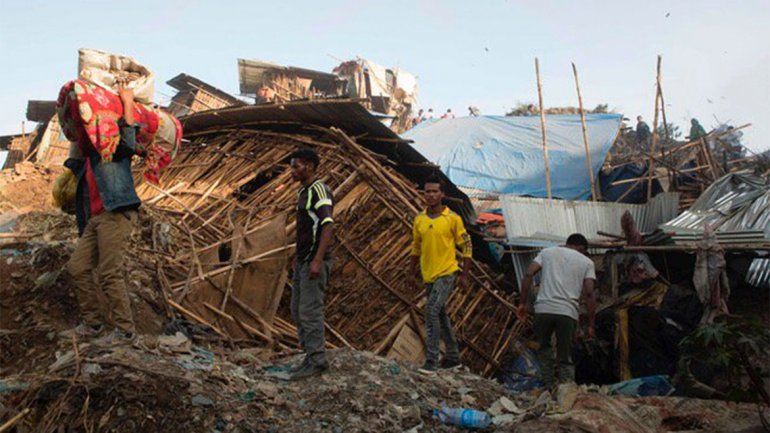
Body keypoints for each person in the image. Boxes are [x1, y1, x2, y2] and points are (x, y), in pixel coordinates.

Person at [65, 81, 140, 342]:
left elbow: (129, 141)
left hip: (116, 213)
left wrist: (127, 102)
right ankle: (94, 324)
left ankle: (126, 331)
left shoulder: (112, 151)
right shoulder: (86, 161)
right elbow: (74, 144)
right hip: (95, 220)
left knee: (110, 273)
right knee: (77, 267)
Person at [516, 233, 596, 390]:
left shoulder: (547, 252)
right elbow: (589, 293)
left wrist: (523, 303)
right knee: (564, 356)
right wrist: (591, 324)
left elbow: (528, 273)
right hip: (567, 312)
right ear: (581, 248)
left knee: (544, 349)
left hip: (543, 309)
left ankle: (549, 387)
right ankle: (567, 390)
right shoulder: (587, 262)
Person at [411, 176, 472, 372]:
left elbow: (466, 245)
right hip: (428, 275)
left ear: (442, 194)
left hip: (447, 273)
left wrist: (464, 275)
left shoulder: (452, 219)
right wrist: (411, 271)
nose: (430, 195)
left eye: (434, 191)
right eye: (427, 191)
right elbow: (416, 248)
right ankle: (453, 357)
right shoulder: (419, 220)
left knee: (431, 311)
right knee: (441, 314)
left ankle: (432, 361)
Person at [288, 147, 334, 380]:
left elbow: (327, 224)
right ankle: (309, 356)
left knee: (309, 311)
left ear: (309, 166)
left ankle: (317, 360)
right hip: (305, 260)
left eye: (296, 166)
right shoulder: (303, 192)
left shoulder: (319, 190)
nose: (292, 171)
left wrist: (317, 259)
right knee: (297, 310)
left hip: (315, 261)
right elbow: (307, 228)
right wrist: (299, 255)